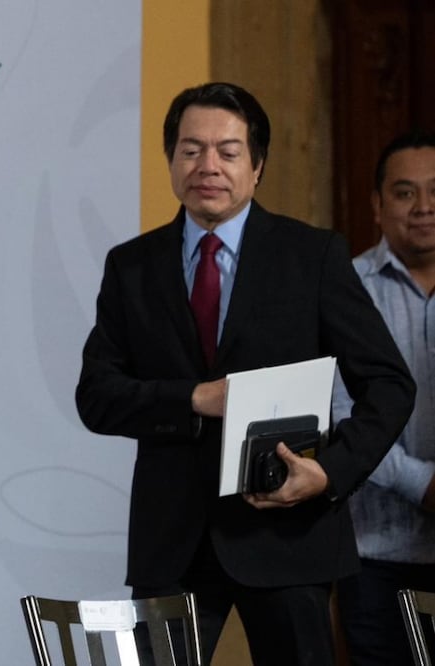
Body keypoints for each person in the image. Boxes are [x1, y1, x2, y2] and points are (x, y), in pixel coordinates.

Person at [75, 82, 415, 665]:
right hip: (171, 543)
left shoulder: (313, 257)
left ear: (256, 167)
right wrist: (194, 398)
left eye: (227, 152)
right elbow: (97, 397)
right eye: (190, 150)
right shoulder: (131, 266)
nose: (208, 166)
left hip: (290, 534)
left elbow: (389, 384)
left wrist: (328, 474)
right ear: (171, 160)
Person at [332, 130, 435, 666]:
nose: (424, 207)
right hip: (377, 555)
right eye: (405, 192)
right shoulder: (347, 286)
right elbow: (339, 415)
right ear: (376, 205)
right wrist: (422, 484)